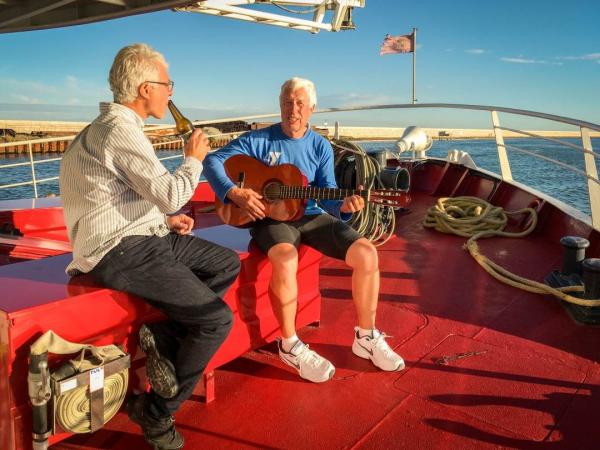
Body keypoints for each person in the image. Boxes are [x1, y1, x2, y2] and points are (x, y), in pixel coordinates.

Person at [60, 43, 240, 450]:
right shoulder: (120, 131)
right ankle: (156, 413)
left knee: (225, 263)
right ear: (145, 88)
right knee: (216, 320)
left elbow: (126, 197)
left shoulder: (110, 129)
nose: (170, 92)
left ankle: (165, 334)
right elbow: (173, 193)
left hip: (144, 235)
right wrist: (193, 158)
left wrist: (163, 220)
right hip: (117, 250)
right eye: (167, 84)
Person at [203, 77, 404, 384]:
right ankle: (289, 344)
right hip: (271, 219)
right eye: (286, 102)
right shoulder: (258, 140)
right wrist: (234, 192)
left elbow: (328, 192)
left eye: (299, 104)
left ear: (311, 109)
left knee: (366, 253)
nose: (292, 110)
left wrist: (344, 207)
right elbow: (213, 160)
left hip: (310, 214)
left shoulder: (320, 146)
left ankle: (366, 337)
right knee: (285, 258)